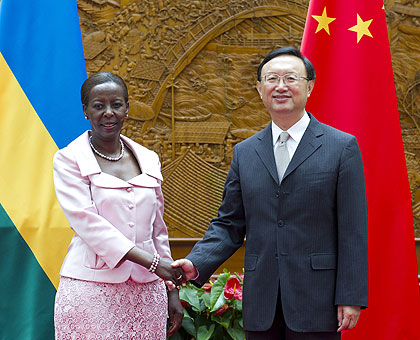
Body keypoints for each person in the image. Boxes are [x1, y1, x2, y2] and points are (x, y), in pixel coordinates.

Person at [172, 47, 368, 340]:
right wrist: (196, 262)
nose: (280, 86)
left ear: (310, 86)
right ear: (259, 88)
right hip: (262, 303)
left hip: (317, 300)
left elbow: (352, 230)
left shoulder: (341, 148)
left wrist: (350, 295)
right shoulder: (246, 152)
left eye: (291, 78)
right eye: (271, 78)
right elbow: (229, 224)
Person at [53, 72, 184, 339]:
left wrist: (171, 288)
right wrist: (153, 263)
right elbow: (88, 224)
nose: (108, 113)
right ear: (85, 111)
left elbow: (157, 230)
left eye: (116, 104)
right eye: (98, 106)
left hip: (147, 294)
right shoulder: (68, 159)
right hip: (90, 291)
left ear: (127, 108)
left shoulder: (148, 158)